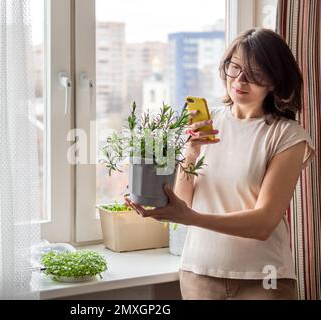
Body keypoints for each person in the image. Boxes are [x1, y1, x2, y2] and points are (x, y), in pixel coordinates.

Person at [125, 28, 315, 300]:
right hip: (199, 273)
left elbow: (264, 223)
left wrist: (191, 218)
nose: (240, 80)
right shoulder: (206, 121)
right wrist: (192, 150)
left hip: (263, 278)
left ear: (274, 80)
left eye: (255, 73)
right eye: (234, 67)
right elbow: (182, 201)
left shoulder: (288, 135)